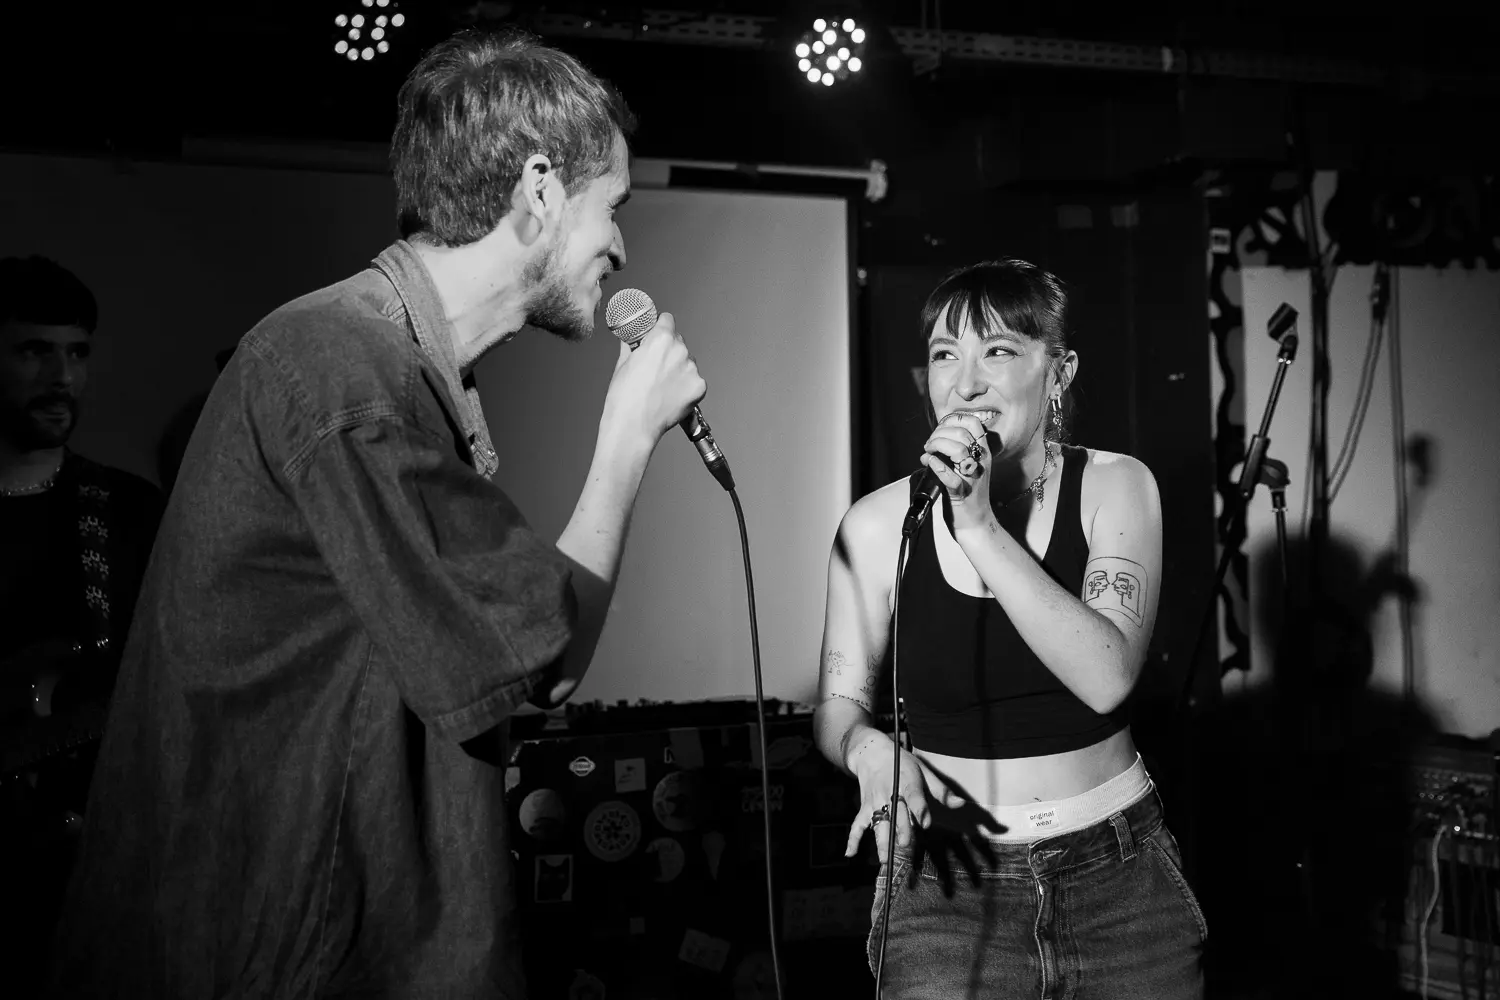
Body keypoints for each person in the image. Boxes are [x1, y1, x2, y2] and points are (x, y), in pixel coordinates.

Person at [50, 30, 704, 999]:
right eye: (610, 207)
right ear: (536, 192)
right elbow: (543, 657)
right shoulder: (339, 368)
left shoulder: (384, 366)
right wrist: (626, 436)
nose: (620, 243)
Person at [814, 260, 1204, 998]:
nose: (966, 383)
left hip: (1118, 880)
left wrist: (979, 523)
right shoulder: (873, 526)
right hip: (946, 888)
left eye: (997, 351)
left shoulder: (1117, 484)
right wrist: (867, 750)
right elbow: (838, 705)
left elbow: (1106, 676)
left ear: (1059, 372)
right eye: (943, 356)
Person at [0, 255, 163, 997]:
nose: (62, 376)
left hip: (90, 880)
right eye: (35, 350)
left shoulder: (125, 510)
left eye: (77, 353)